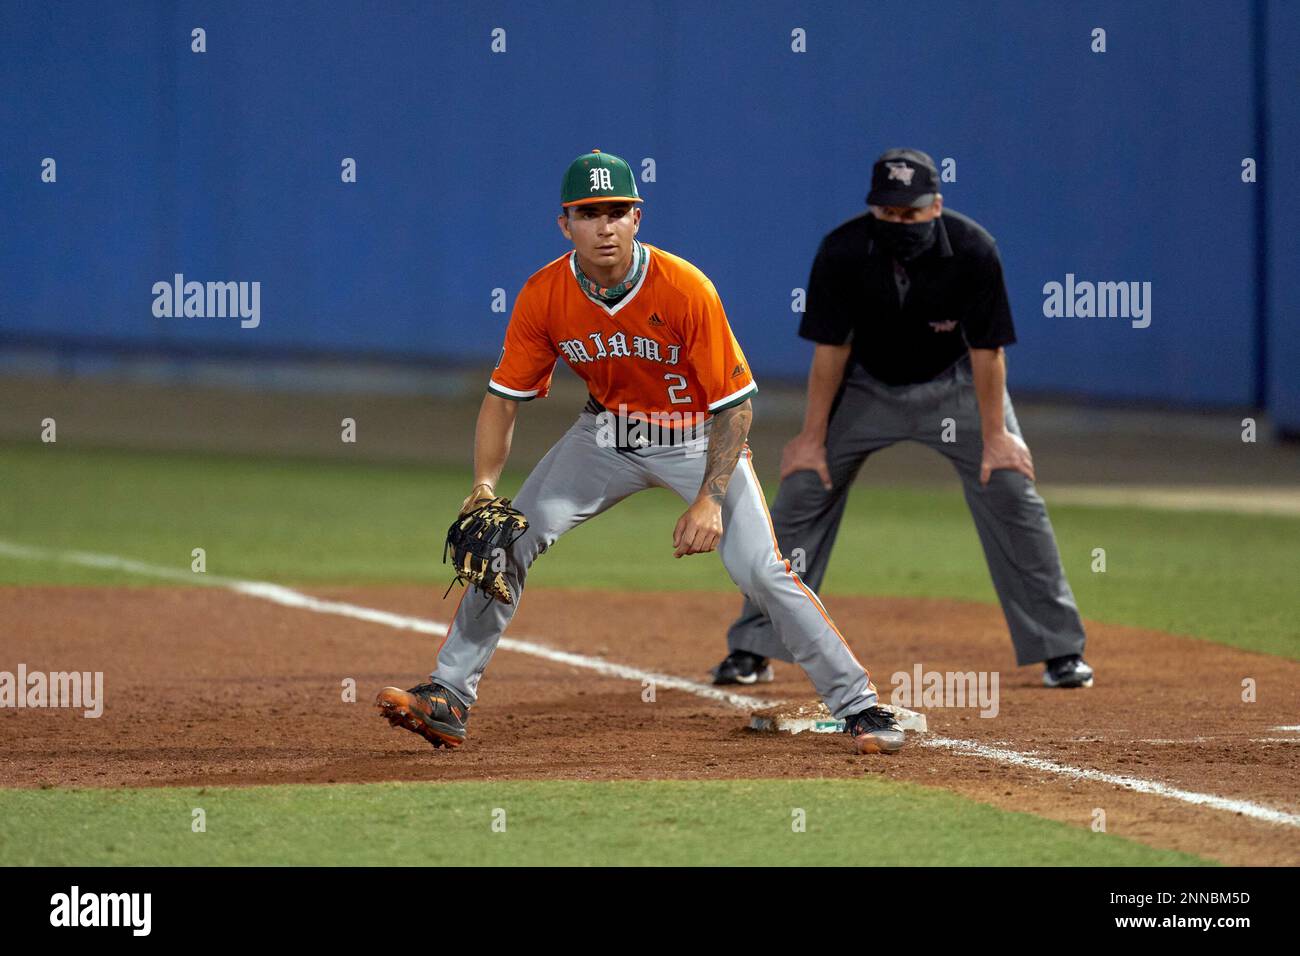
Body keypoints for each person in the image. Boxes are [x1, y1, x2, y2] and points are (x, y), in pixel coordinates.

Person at [376, 149, 906, 755]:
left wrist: (709, 499)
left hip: (697, 439)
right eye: (588, 213)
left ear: (637, 217)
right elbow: (503, 399)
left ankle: (859, 704)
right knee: (505, 541)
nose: (604, 226)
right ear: (564, 223)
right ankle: (448, 695)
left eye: (618, 211)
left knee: (761, 568)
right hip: (604, 437)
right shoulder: (543, 295)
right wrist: (484, 485)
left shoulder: (684, 288)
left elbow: (734, 406)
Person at [712, 148, 1094, 691]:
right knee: (801, 491)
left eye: (910, 214)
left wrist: (997, 437)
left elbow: (988, 352)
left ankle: (1059, 650)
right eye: (888, 214)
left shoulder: (973, 250)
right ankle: (754, 647)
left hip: (955, 384)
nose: (899, 223)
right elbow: (830, 351)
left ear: (935, 206)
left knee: (1009, 485)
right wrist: (810, 438)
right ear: (874, 210)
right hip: (865, 388)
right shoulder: (843, 251)